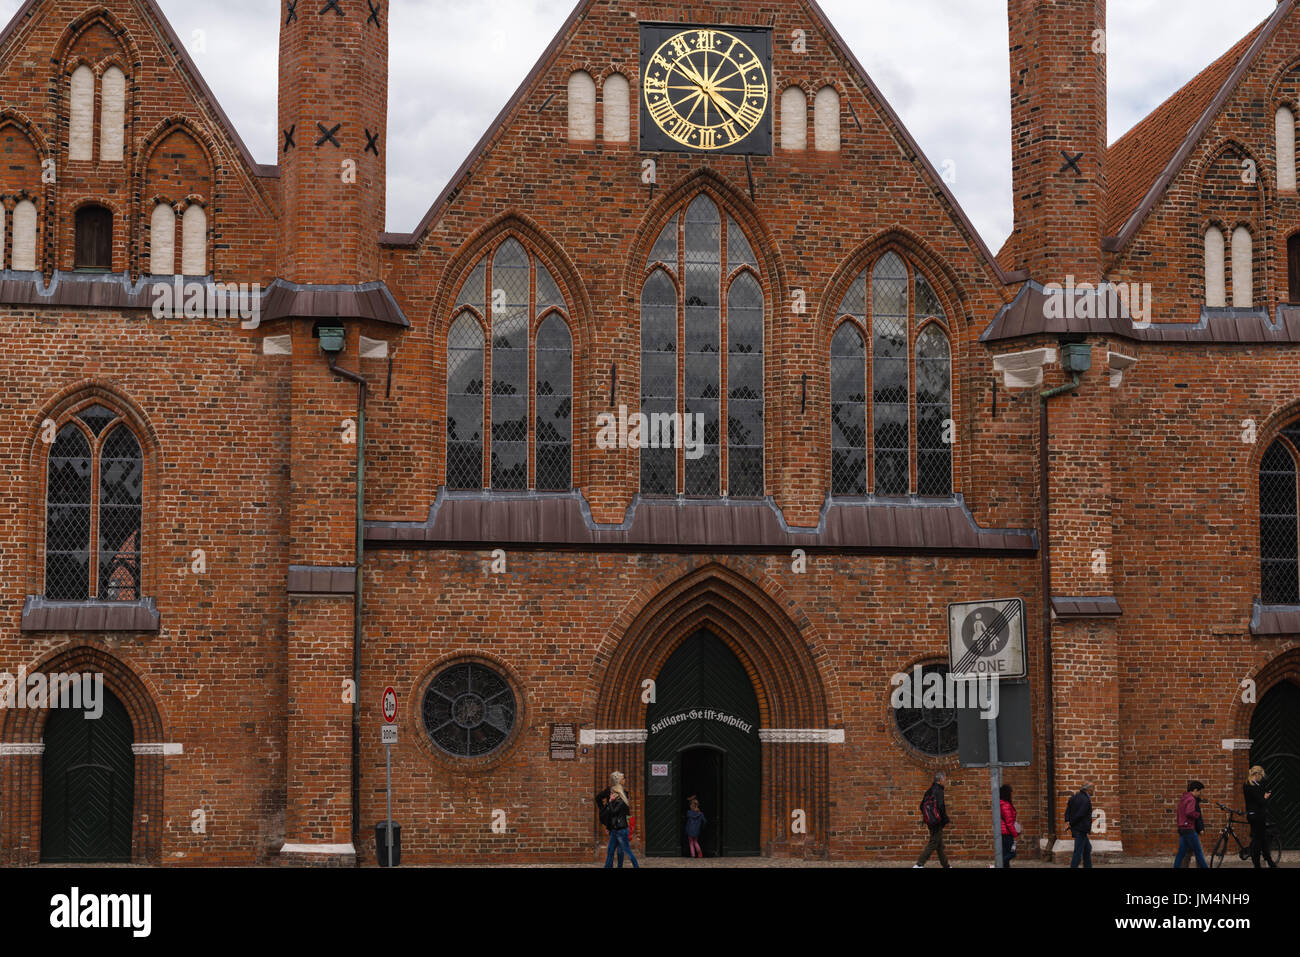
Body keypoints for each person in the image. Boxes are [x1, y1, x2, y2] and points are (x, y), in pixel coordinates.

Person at [601, 771, 639, 869]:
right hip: (615, 829)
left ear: (617, 793)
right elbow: (610, 814)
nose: (611, 794)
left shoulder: (621, 801)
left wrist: (609, 802)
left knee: (627, 851)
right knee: (610, 851)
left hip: (621, 830)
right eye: (611, 792)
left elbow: (614, 812)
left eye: (613, 792)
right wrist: (608, 826)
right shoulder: (616, 801)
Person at [913, 771, 951, 868]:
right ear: (940, 780)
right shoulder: (939, 790)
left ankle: (946, 865)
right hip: (937, 822)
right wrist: (945, 820)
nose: (945, 781)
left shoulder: (929, 790)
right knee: (934, 842)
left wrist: (928, 817)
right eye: (944, 779)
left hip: (930, 822)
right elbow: (941, 806)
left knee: (939, 845)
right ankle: (919, 864)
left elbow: (921, 806)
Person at [1243, 765, 1275, 869]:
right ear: (1257, 774)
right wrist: (1265, 797)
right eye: (1261, 775)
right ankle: (1257, 865)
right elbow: (1260, 802)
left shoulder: (1248, 784)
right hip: (1257, 816)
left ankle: (1270, 862)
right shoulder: (1252, 786)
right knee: (1258, 841)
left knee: (1262, 839)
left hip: (1253, 815)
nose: (1261, 777)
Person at [1173, 780, 1208, 869]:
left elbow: (1179, 813)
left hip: (1182, 828)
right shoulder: (1191, 799)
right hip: (1189, 829)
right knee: (1198, 852)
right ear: (1195, 790)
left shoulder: (1183, 798)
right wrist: (1197, 814)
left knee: (1181, 853)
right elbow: (1189, 812)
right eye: (1200, 791)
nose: (1200, 794)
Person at [594, 772, 624, 867]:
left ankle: (611, 865)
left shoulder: (622, 791)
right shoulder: (611, 791)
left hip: (615, 822)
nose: (625, 780)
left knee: (616, 848)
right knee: (617, 848)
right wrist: (603, 809)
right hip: (615, 822)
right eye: (623, 778)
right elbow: (598, 798)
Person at [1065, 782, 1095, 868]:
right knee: (1078, 852)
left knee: (1087, 848)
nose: (1094, 791)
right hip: (1080, 829)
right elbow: (1080, 814)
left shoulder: (1074, 797)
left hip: (1078, 829)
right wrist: (1071, 824)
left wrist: (1067, 821)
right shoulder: (1086, 800)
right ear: (1088, 790)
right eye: (1093, 789)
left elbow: (1068, 810)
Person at [999, 784, 1020, 867]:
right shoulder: (1005, 805)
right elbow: (1009, 822)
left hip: (1003, 833)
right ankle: (996, 864)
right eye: (1010, 793)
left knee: (1005, 854)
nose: (1011, 795)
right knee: (1012, 853)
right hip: (1007, 833)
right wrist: (1015, 833)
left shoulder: (1002, 803)